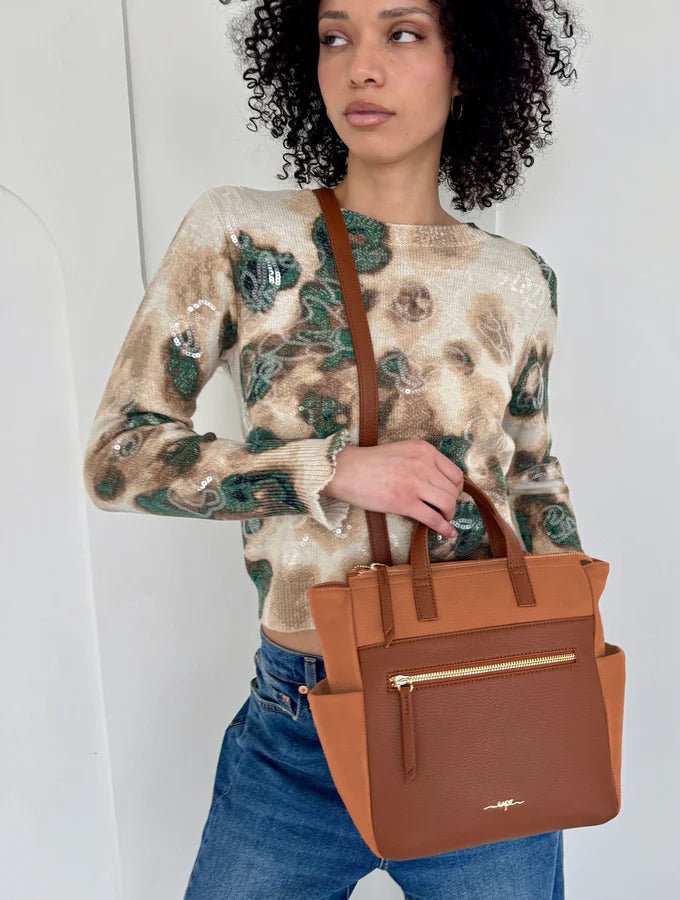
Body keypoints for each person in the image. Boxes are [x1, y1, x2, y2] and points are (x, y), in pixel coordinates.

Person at [82, 0, 588, 896]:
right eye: (334, 34)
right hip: (297, 728)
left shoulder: (519, 280)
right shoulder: (242, 234)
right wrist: (327, 469)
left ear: (466, 60)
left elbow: (534, 476)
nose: (361, 66)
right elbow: (120, 456)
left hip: (485, 709)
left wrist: (563, 668)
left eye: (402, 33)